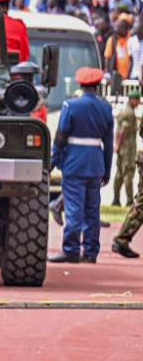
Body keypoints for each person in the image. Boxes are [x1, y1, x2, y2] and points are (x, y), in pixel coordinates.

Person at [49, 67, 113, 264]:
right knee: (92, 211)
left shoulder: (71, 105)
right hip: (95, 164)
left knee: (74, 209)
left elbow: (61, 137)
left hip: (75, 163)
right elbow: (108, 143)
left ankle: (71, 250)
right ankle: (91, 251)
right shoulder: (106, 108)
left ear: (80, 84)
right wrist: (107, 169)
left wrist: (53, 161)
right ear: (98, 85)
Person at [113, 92, 140, 207]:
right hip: (127, 149)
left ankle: (116, 199)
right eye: (137, 100)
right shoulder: (129, 113)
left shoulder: (125, 111)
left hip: (122, 148)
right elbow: (123, 130)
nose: (138, 102)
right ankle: (129, 201)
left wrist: (118, 146)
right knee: (128, 173)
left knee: (119, 174)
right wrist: (118, 145)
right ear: (133, 100)